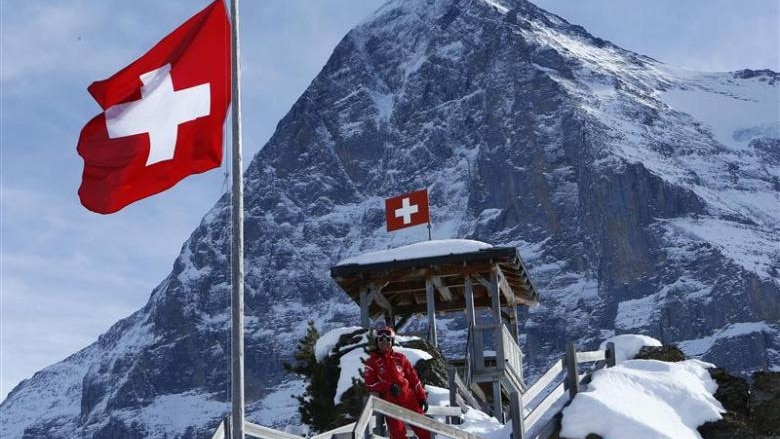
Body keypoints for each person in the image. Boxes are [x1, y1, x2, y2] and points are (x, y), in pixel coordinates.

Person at [363, 325, 430, 439]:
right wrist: (388, 386)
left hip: (409, 398)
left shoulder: (400, 358)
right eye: (381, 339)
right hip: (390, 402)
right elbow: (369, 384)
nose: (384, 342)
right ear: (377, 341)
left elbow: (413, 379)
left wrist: (421, 396)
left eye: (388, 339)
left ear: (392, 341)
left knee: (424, 430)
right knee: (397, 434)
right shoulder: (372, 361)